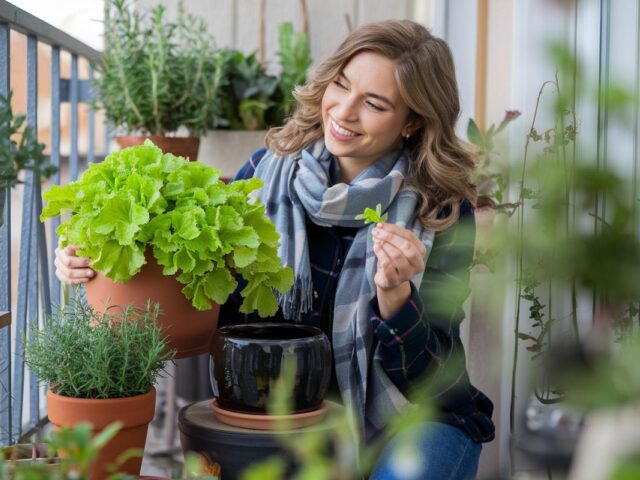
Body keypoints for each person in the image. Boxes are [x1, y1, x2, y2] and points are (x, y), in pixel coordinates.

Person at [55, 19, 493, 480]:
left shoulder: (439, 211)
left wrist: (396, 297)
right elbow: (177, 284)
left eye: (374, 104)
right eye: (341, 85)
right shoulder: (268, 173)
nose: (343, 112)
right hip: (277, 419)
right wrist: (97, 260)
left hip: (415, 419)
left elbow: (431, 378)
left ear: (412, 121)